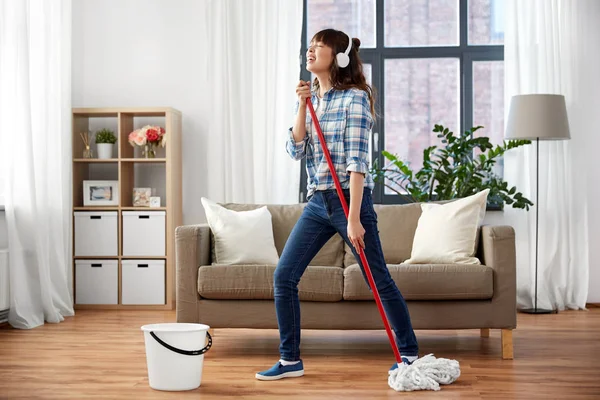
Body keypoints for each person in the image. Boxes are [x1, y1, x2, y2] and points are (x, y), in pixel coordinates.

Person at [255, 29, 419, 381]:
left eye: (318, 46)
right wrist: (302, 106)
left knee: (379, 279)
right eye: (309, 46)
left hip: (348, 198)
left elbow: (358, 161)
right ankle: (289, 361)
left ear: (338, 57)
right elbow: (296, 150)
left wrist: (355, 217)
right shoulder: (311, 98)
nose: (310, 51)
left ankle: (408, 354)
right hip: (317, 201)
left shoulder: (355, 98)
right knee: (284, 276)